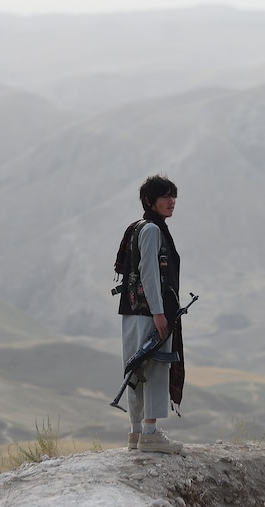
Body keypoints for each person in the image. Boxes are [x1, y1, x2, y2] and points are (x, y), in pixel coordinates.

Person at [116, 174, 184, 454]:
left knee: (136, 372)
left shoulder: (137, 227)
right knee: (155, 369)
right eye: (165, 196)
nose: (171, 201)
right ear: (149, 201)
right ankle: (151, 434)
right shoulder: (153, 230)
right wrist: (159, 313)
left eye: (173, 196)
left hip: (132, 312)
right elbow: (150, 273)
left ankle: (136, 434)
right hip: (150, 314)